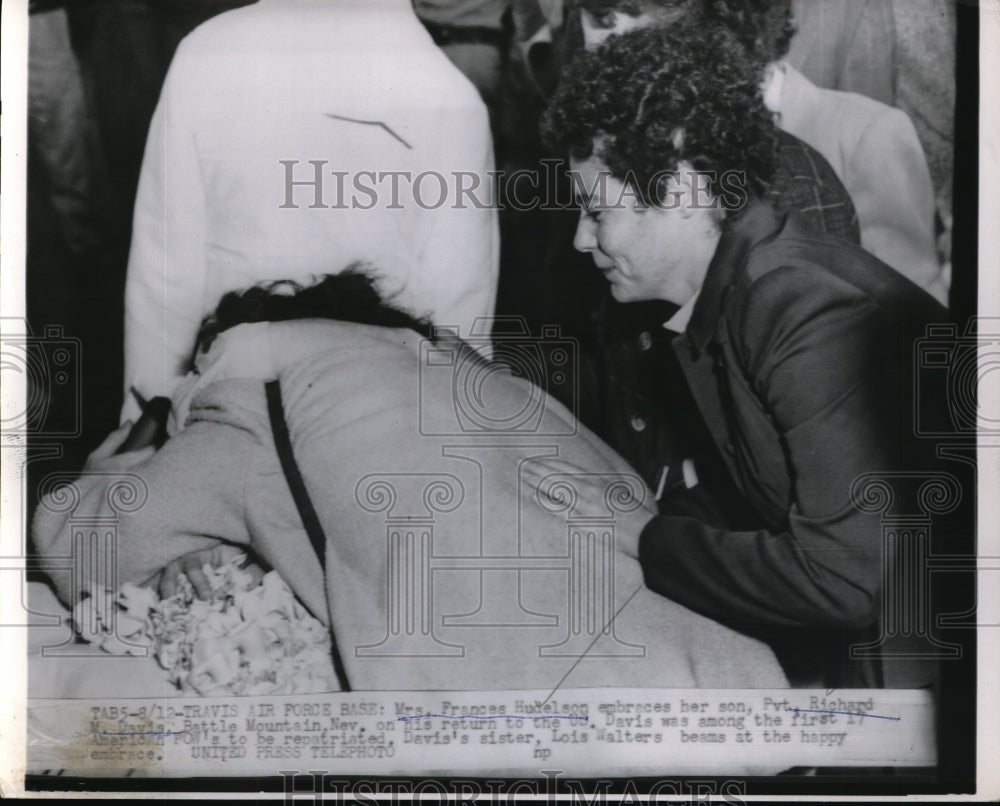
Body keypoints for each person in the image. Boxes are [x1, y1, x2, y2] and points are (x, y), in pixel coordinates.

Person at [33, 270, 787, 696]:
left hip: (545, 723)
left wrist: (116, 461)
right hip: (731, 676)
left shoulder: (256, 397)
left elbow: (85, 551)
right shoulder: (484, 380)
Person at [542, 23, 947, 687]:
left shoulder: (801, 306)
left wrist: (636, 539)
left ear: (684, 189)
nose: (583, 240)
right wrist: (621, 514)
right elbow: (763, 509)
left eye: (597, 212)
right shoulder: (737, 294)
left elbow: (842, 579)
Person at [121, 0, 499, 423]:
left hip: (226, 404)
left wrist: (143, 426)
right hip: (382, 411)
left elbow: (165, 275)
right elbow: (461, 315)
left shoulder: (206, 54)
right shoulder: (450, 95)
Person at [573, 0, 946, 305]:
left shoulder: (854, 140)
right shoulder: (625, 152)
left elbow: (906, 312)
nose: (607, 42)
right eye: (598, 17)